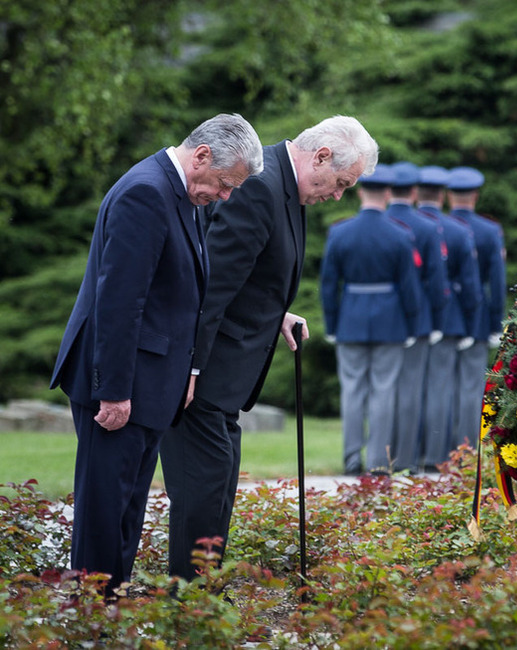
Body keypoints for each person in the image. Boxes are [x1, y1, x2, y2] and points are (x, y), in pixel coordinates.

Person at [50, 113, 264, 595]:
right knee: (104, 518)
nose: (226, 196)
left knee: (125, 512)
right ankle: (90, 620)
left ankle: (112, 612)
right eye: (226, 184)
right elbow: (120, 302)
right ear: (203, 155)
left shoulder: (181, 191)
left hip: (149, 386)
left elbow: (179, 296)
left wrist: (185, 370)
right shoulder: (147, 192)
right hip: (120, 388)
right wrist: (114, 392)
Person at [159, 115, 378, 583]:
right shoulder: (262, 185)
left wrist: (276, 313)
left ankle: (202, 596)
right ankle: (189, 602)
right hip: (204, 376)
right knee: (203, 489)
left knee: (217, 486)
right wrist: (190, 370)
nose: (337, 195)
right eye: (340, 183)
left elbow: (249, 273)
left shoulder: (287, 187)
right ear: (319, 156)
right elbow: (210, 286)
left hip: (226, 381)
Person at [321, 163, 424, 476]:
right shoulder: (400, 234)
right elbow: (409, 286)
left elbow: (328, 284)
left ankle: (351, 457)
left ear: (360, 191)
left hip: (350, 319)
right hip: (390, 323)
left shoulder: (339, 232)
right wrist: (412, 323)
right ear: (389, 193)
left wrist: (332, 324)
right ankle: (378, 461)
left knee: (352, 391)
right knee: (383, 392)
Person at [415, 165, 482, 471]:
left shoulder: (411, 225)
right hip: (452, 316)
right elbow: (476, 283)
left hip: (412, 318)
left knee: (419, 388)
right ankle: (456, 454)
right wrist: (478, 321)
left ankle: (420, 452)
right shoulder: (463, 231)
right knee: (456, 389)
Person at [385, 162, 447, 472]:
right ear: (413, 191)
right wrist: (436, 319)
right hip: (417, 316)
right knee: (411, 391)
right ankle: (407, 459)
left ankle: (381, 456)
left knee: (381, 392)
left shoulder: (380, 221)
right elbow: (436, 278)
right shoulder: (425, 226)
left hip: (381, 317)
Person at [446, 167, 506, 449]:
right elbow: (496, 280)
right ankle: (466, 447)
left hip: (441, 315)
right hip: (477, 316)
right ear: (475, 196)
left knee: (439, 383)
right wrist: (495, 323)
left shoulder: (438, 225)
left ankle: (438, 447)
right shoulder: (489, 230)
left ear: (448, 196)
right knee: (471, 386)